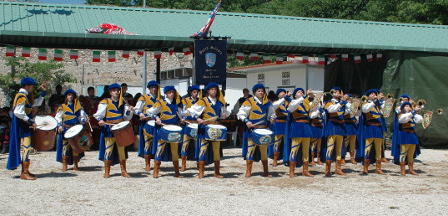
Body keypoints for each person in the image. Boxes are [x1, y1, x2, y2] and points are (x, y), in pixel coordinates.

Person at [7, 77, 46, 180]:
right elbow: (18, 113)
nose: (33, 88)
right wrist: (31, 121)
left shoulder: (25, 96)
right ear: (27, 86)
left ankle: (25, 170)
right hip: (22, 126)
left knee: (27, 147)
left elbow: (36, 103)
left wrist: (43, 93)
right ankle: (24, 172)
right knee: (26, 147)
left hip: (24, 125)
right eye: (32, 86)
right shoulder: (21, 97)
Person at [187, 82, 227, 178]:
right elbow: (191, 111)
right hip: (205, 128)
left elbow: (223, 114)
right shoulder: (203, 101)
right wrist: (198, 119)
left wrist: (224, 115)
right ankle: (201, 171)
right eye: (212, 89)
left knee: (216, 150)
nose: (214, 91)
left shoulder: (219, 103)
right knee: (203, 149)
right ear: (208, 91)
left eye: (215, 89)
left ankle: (217, 171)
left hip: (216, 128)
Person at [94, 83, 134, 178]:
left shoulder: (122, 102)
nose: (116, 92)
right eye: (114, 90)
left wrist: (128, 111)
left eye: (117, 90)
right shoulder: (105, 102)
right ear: (110, 92)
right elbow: (99, 114)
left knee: (121, 150)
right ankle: (107, 171)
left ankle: (123, 171)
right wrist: (100, 120)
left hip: (120, 127)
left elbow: (126, 117)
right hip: (109, 128)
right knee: (109, 149)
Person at [238, 83, 275, 178]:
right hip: (252, 130)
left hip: (263, 129)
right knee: (250, 150)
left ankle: (266, 171)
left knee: (264, 151)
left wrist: (272, 118)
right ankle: (248, 171)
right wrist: (246, 121)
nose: (260, 92)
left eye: (262, 91)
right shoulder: (249, 101)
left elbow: (272, 114)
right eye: (258, 91)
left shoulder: (267, 102)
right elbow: (241, 114)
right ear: (254, 92)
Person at [146, 86, 184, 178]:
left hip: (174, 128)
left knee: (174, 151)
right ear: (166, 93)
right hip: (163, 128)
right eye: (169, 92)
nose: (171, 94)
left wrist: (183, 119)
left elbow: (182, 114)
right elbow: (149, 111)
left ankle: (176, 172)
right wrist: (157, 118)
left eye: (173, 92)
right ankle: (156, 171)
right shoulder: (160, 102)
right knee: (160, 149)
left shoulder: (177, 104)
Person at [284, 88, 315, 177]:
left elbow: (313, 111)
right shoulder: (292, 102)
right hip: (297, 126)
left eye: (302, 92)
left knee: (306, 149)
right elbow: (291, 108)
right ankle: (291, 170)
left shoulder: (306, 103)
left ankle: (305, 170)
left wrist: (313, 98)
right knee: (294, 148)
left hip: (306, 126)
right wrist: (305, 96)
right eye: (299, 92)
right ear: (295, 95)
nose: (301, 93)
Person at [55, 89, 87, 171]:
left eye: (72, 95)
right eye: (69, 95)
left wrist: (84, 120)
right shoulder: (62, 107)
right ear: (66, 96)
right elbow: (58, 118)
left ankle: (76, 164)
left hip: (75, 129)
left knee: (75, 146)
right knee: (65, 146)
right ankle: (65, 165)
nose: (70, 96)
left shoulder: (78, 106)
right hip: (66, 129)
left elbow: (81, 117)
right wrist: (59, 126)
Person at [356, 89, 386, 175]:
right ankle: (365, 167)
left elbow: (384, 112)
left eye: (375, 94)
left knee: (378, 149)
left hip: (378, 128)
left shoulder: (378, 105)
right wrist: (376, 101)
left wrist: (382, 101)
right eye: (372, 94)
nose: (374, 95)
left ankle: (378, 168)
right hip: (370, 128)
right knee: (367, 148)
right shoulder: (366, 103)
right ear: (368, 96)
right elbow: (365, 110)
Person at [133, 80, 161, 172]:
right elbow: (137, 109)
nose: (154, 89)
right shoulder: (143, 98)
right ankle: (147, 164)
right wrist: (140, 114)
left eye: (155, 87)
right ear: (149, 88)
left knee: (158, 144)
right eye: (152, 87)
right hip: (147, 123)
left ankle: (157, 163)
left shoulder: (160, 99)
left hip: (157, 123)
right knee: (147, 144)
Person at [320, 87, 348, 176]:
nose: (338, 93)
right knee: (330, 148)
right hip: (332, 126)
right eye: (336, 92)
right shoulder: (329, 103)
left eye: (339, 92)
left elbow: (348, 112)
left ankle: (338, 168)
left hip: (340, 127)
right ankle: (327, 170)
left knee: (339, 149)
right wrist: (342, 102)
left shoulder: (342, 104)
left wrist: (351, 104)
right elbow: (332, 109)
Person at [392, 102, 422, 175]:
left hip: (412, 135)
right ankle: (402, 169)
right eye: (406, 106)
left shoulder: (412, 115)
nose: (408, 107)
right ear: (402, 108)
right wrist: (413, 111)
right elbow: (403, 120)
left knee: (411, 154)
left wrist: (415, 112)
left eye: (409, 106)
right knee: (403, 153)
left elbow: (420, 120)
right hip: (404, 135)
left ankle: (411, 169)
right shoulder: (400, 114)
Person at [180, 85, 201, 171]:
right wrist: (183, 118)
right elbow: (183, 112)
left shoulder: (201, 101)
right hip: (188, 125)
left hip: (197, 125)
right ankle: (183, 164)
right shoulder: (185, 100)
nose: (196, 94)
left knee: (198, 146)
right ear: (191, 93)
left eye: (197, 92)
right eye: (194, 92)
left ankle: (198, 164)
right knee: (185, 145)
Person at [268, 89, 291, 167]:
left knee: (287, 143)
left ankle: (287, 159)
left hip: (287, 124)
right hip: (279, 124)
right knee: (277, 143)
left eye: (284, 92)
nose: (283, 93)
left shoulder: (288, 103)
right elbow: (275, 106)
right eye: (281, 92)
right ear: (278, 95)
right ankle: (275, 160)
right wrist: (285, 98)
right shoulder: (276, 103)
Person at [342, 94, 361, 164]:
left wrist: (358, 107)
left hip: (353, 125)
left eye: (351, 99)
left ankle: (352, 157)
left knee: (353, 143)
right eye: (349, 99)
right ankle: (342, 157)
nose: (350, 100)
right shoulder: (345, 105)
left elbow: (359, 114)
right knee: (345, 143)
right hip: (347, 124)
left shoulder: (355, 106)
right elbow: (344, 113)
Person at [309, 98, 324, 165]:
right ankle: (312, 159)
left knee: (319, 145)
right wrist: (320, 109)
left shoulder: (321, 112)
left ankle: (318, 159)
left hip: (320, 128)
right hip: (314, 127)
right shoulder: (312, 111)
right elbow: (312, 116)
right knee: (313, 144)